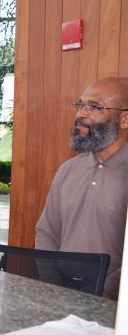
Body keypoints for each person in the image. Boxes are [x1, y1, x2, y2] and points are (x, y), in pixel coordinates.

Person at [36, 77, 128, 299]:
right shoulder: (68, 169)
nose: (81, 114)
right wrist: (54, 287)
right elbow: (46, 233)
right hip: (62, 298)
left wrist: (99, 295)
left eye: (95, 107)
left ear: (125, 119)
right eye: (80, 105)